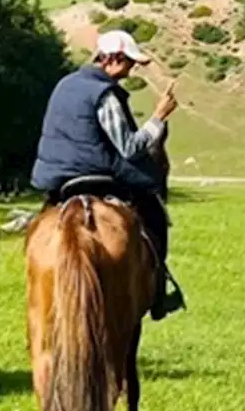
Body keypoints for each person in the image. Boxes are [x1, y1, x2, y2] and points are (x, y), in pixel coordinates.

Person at [30, 29, 184, 321]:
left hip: (59, 178)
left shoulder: (64, 85)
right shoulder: (105, 94)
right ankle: (158, 292)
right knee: (154, 214)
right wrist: (158, 117)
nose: (130, 70)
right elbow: (128, 147)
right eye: (128, 62)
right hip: (97, 173)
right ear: (112, 59)